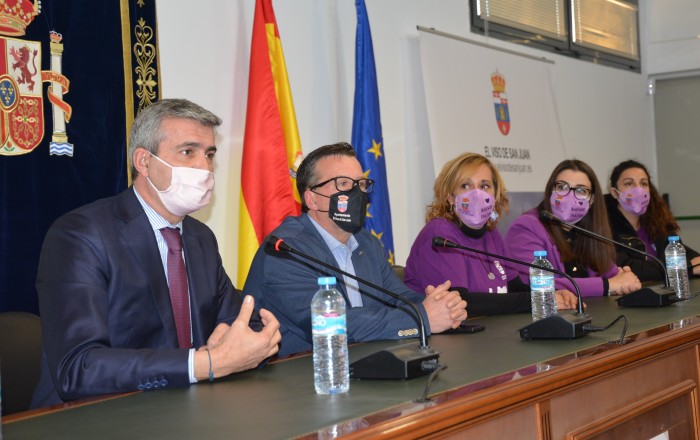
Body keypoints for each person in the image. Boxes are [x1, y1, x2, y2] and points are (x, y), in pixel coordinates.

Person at [31, 99, 281, 408]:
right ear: (144, 162)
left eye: (209, 154)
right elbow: (78, 369)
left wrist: (254, 337)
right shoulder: (81, 235)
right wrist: (204, 364)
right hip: (91, 418)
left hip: (183, 412)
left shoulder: (199, 237)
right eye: (188, 152)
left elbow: (236, 318)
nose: (205, 167)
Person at [244, 142, 467, 357]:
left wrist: (440, 306)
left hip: (364, 363)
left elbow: (400, 298)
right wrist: (423, 317)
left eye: (360, 184)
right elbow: (332, 326)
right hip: (298, 375)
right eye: (343, 184)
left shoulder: (366, 243)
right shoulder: (286, 250)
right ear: (312, 199)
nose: (356, 193)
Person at [404, 153, 579, 315]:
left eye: (484, 186)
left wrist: (552, 293)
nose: (476, 193)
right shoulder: (440, 234)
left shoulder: (491, 232)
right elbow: (462, 302)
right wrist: (538, 300)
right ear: (450, 197)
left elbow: (515, 287)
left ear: (495, 195)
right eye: (465, 185)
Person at [505, 159, 641, 297]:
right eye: (562, 187)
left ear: (592, 199)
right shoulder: (525, 227)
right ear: (551, 190)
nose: (570, 196)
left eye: (581, 190)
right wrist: (608, 285)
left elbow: (610, 273)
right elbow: (539, 284)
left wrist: (624, 277)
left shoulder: (586, 230)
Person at [606, 159, 700, 282]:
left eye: (644, 184)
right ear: (614, 192)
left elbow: (691, 257)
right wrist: (686, 269)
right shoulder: (605, 227)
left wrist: (684, 266)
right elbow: (632, 270)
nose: (638, 190)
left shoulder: (657, 223)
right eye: (629, 184)